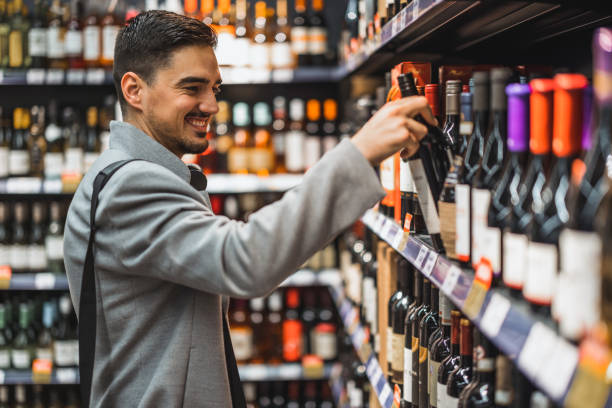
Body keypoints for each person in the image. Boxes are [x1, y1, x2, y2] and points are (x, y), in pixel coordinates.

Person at [63, 10, 436, 408]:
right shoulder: (131, 185)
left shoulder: (126, 174)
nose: (211, 105)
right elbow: (244, 260)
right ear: (134, 91)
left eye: (214, 89)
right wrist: (360, 153)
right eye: (192, 88)